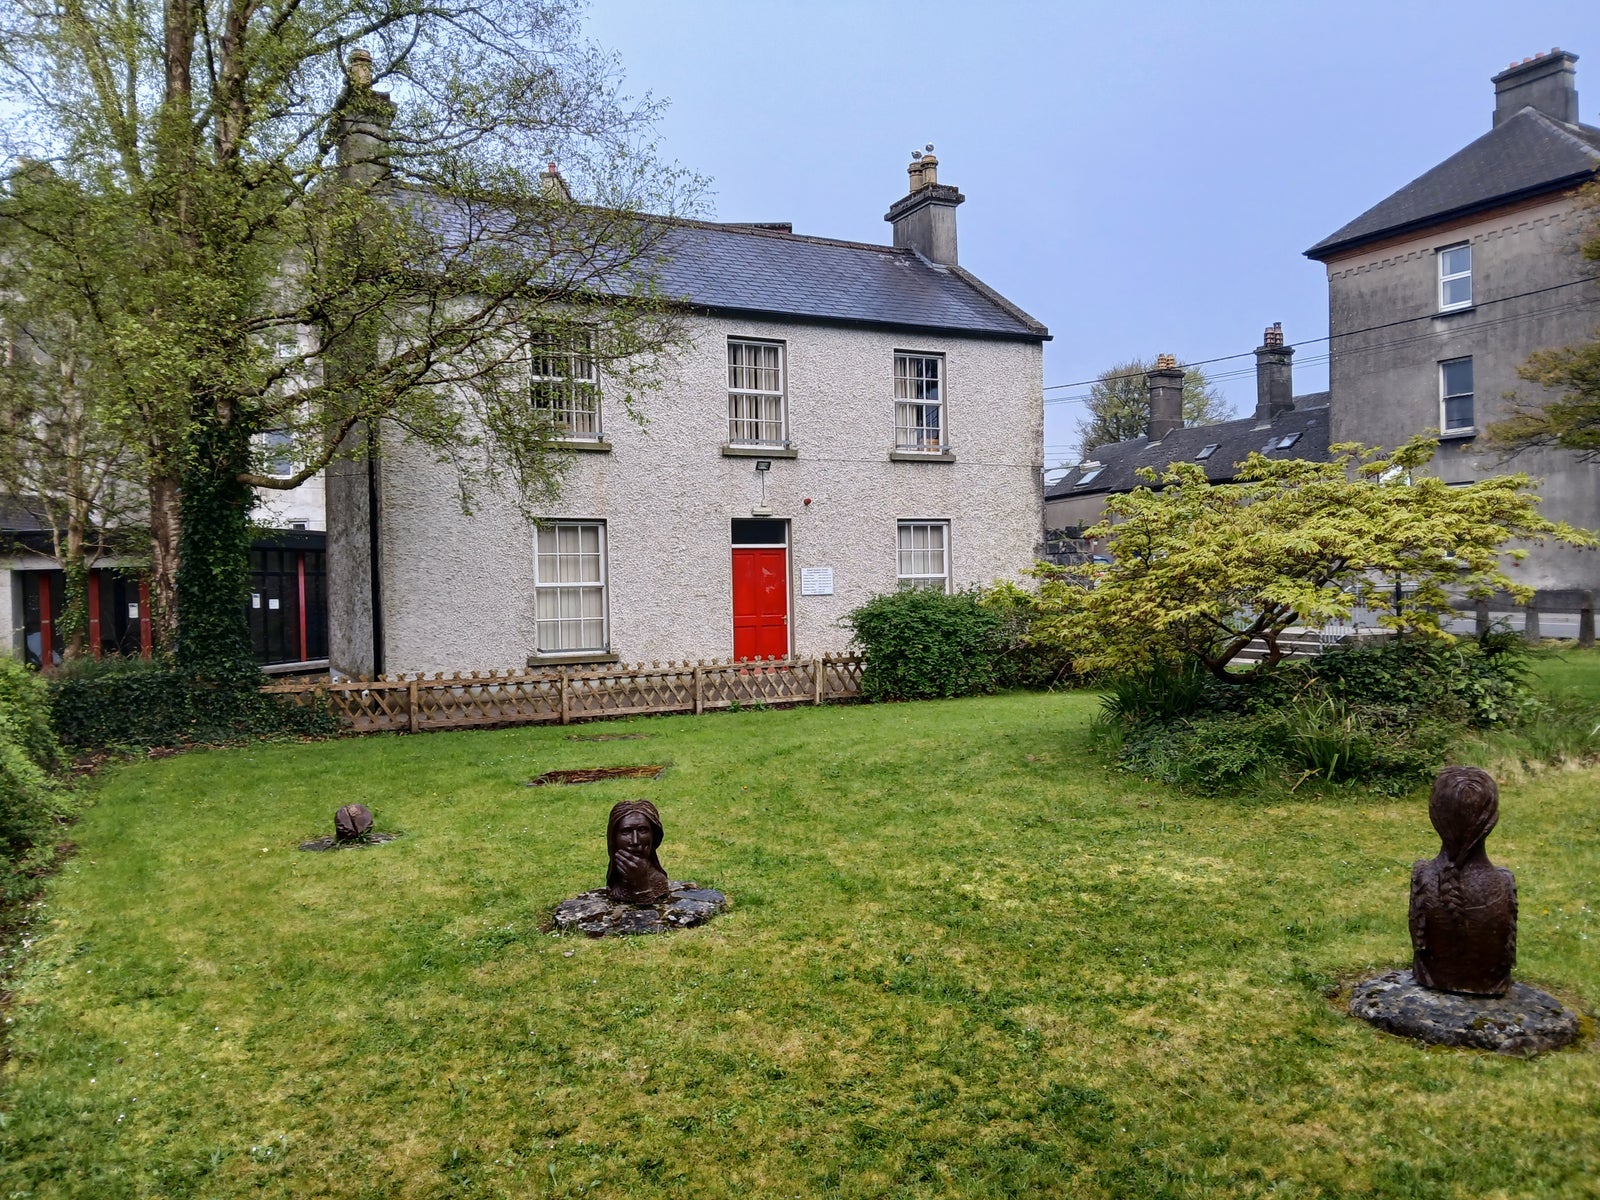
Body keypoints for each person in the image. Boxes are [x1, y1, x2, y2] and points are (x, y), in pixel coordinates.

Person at [1409, 766, 1516, 997]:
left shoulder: (1423, 877)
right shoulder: (1504, 882)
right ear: (1492, 820)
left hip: (1432, 979)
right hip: (1490, 986)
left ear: (1435, 816)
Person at [606, 799, 670, 904]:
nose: (635, 841)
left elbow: (648, 913)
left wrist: (642, 884)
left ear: (653, 836)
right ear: (613, 838)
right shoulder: (615, 881)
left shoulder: (658, 880)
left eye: (642, 830)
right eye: (626, 832)